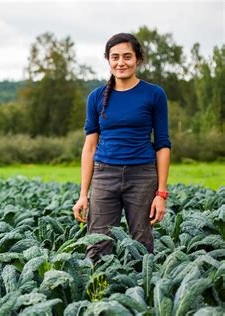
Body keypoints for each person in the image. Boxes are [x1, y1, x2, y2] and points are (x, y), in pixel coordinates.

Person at [71, 33, 171, 262]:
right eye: (115, 57)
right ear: (108, 60)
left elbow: (163, 144)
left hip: (142, 176)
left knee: (142, 245)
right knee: (97, 245)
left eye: (127, 56)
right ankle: (99, 295)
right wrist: (83, 194)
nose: (121, 62)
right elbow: (90, 147)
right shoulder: (96, 97)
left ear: (138, 59)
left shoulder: (154, 94)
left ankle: (141, 295)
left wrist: (161, 193)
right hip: (104, 175)